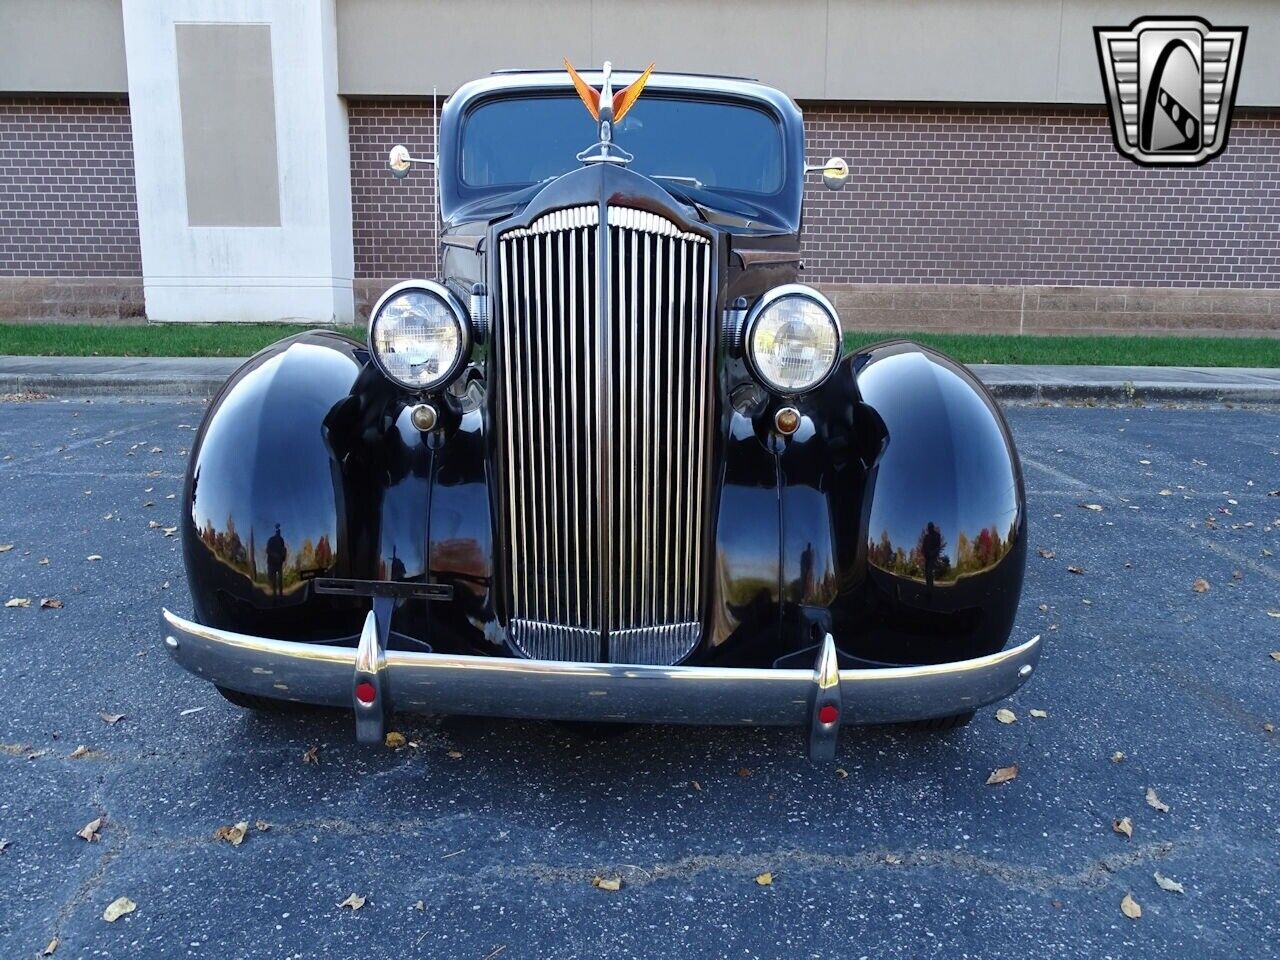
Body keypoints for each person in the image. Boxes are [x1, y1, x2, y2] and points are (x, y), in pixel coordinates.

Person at [266, 524, 287, 601]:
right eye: (277, 531)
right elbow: (268, 550)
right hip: (271, 563)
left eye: (279, 531)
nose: (278, 532)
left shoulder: (281, 540)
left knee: (280, 580)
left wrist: (283, 557)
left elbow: (283, 549)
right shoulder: (271, 540)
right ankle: (274, 597)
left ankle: (281, 596)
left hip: (279, 563)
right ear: (275, 532)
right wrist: (275, 555)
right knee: (273, 580)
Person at [921, 521, 942, 589]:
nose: (929, 528)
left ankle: (930, 589)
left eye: (931, 527)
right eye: (929, 527)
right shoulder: (926, 536)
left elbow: (938, 546)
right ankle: (928, 587)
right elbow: (923, 546)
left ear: (932, 527)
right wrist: (924, 552)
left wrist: (933, 553)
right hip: (927, 556)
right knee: (927, 573)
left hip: (932, 556)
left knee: (929, 572)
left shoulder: (937, 535)